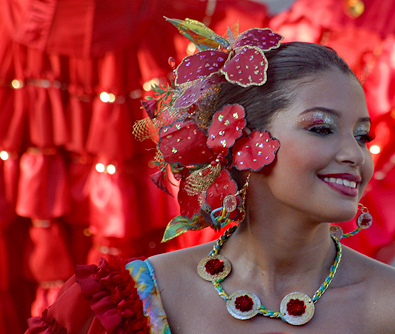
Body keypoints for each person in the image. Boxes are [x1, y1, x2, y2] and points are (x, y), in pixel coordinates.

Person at [26, 18, 395, 334]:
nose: (355, 155)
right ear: (240, 137)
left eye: (363, 136)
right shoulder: (136, 301)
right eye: (321, 128)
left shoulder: (387, 302)